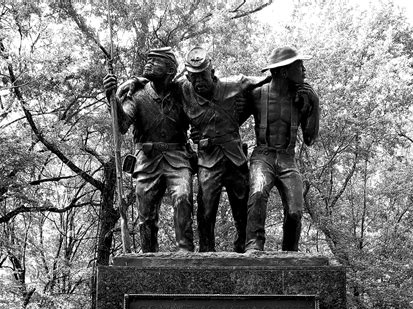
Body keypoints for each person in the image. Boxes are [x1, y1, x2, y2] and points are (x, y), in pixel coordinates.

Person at [103, 48, 194, 252]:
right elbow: (123, 124)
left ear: (170, 70)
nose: (148, 64)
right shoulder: (138, 95)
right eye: (148, 59)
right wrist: (112, 99)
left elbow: (198, 114)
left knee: (183, 196)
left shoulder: (182, 92)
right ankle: (148, 253)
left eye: (156, 61)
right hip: (147, 159)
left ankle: (186, 251)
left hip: (177, 157)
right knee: (145, 212)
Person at [180, 47, 268, 253]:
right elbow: (159, 84)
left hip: (234, 157)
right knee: (206, 208)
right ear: (188, 77)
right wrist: (135, 82)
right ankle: (206, 251)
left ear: (212, 72)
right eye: (194, 77)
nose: (199, 81)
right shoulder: (184, 90)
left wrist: (275, 75)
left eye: (203, 75)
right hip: (208, 160)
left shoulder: (231, 84)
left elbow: (251, 80)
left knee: (242, 205)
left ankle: (244, 248)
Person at [245, 46, 320, 252]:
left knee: (295, 210)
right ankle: (253, 245)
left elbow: (310, 139)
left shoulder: (302, 97)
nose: (304, 71)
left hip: (288, 159)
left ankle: (290, 253)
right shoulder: (257, 94)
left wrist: (315, 105)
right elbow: (232, 119)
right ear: (284, 71)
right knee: (258, 192)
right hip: (263, 156)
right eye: (300, 66)